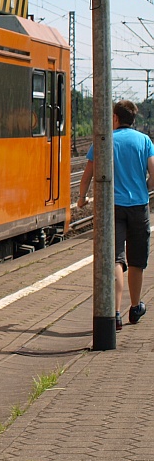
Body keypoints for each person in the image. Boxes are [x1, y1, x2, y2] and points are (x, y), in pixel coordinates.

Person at [77, 100, 154, 331]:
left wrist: (82, 198)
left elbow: (88, 173)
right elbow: (153, 173)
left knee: (116, 259)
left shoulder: (105, 141)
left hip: (112, 208)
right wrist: (144, 187)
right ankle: (135, 306)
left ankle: (115, 313)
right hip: (139, 206)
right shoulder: (144, 141)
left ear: (116, 118)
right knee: (137, 260)